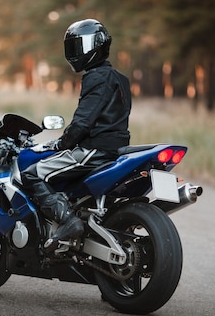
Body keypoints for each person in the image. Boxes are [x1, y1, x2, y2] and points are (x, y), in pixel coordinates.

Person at [21, 18, 132, 251]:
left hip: (93, 150)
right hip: (114, 149)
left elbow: (82, 123)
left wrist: (62, 143)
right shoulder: (120, 79)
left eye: (80, 46)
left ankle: (68, 222)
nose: (75, 53)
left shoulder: (96, 77)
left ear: (96, 46)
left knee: (32, 174)